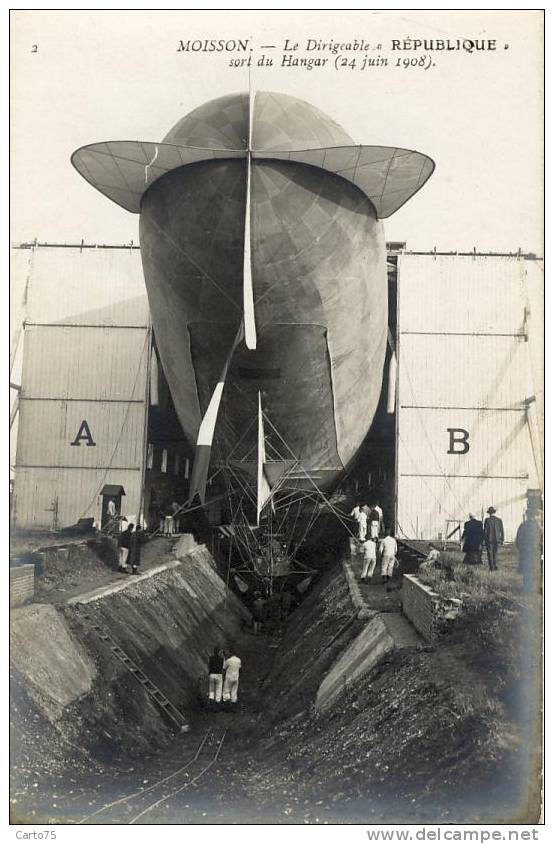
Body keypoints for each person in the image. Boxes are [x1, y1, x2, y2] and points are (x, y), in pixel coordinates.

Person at [515, 512, 542, 594]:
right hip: (535, 552)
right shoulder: (538, 527)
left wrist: (521, 550)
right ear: (534, 516)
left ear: (527, 516)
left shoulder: (522, 526)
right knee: (535, 570)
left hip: (525, 552)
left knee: (527, 571)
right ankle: (535, 588)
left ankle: (527, 588)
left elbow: (518, 540)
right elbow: (542, 540)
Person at [483, 506, 504, 571]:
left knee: (490, 553)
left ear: (489, 513)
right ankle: (495, 566)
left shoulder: (487, 520)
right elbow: (502, 530)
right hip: (497, 539)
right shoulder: (499, 520)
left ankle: (491, 568)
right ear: (494, 512)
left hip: (489, 539)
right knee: (495, 553)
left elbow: (485, 531)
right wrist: (502, 539)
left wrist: (484, 540)